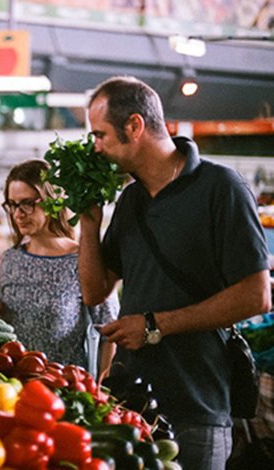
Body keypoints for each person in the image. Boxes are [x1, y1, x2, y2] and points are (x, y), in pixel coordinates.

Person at [78, 76, 271, 470]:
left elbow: (257, 295)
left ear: (134, 126)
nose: (96, 149)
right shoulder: (130, 200)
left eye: (100, 135)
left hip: (196, 406)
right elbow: (94, 291)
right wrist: (88, 225)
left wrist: (153, 325)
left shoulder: (221, 187)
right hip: (128, 406)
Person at [0, 159, 119, 374]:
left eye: (27, 203)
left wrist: (105, 386)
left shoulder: (83, 260)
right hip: (14, 386)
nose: (18, 214)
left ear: (52, 202)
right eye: (12, 205)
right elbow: (6, 325)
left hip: (67, 388)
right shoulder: (11, 259)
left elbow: (111, 331)